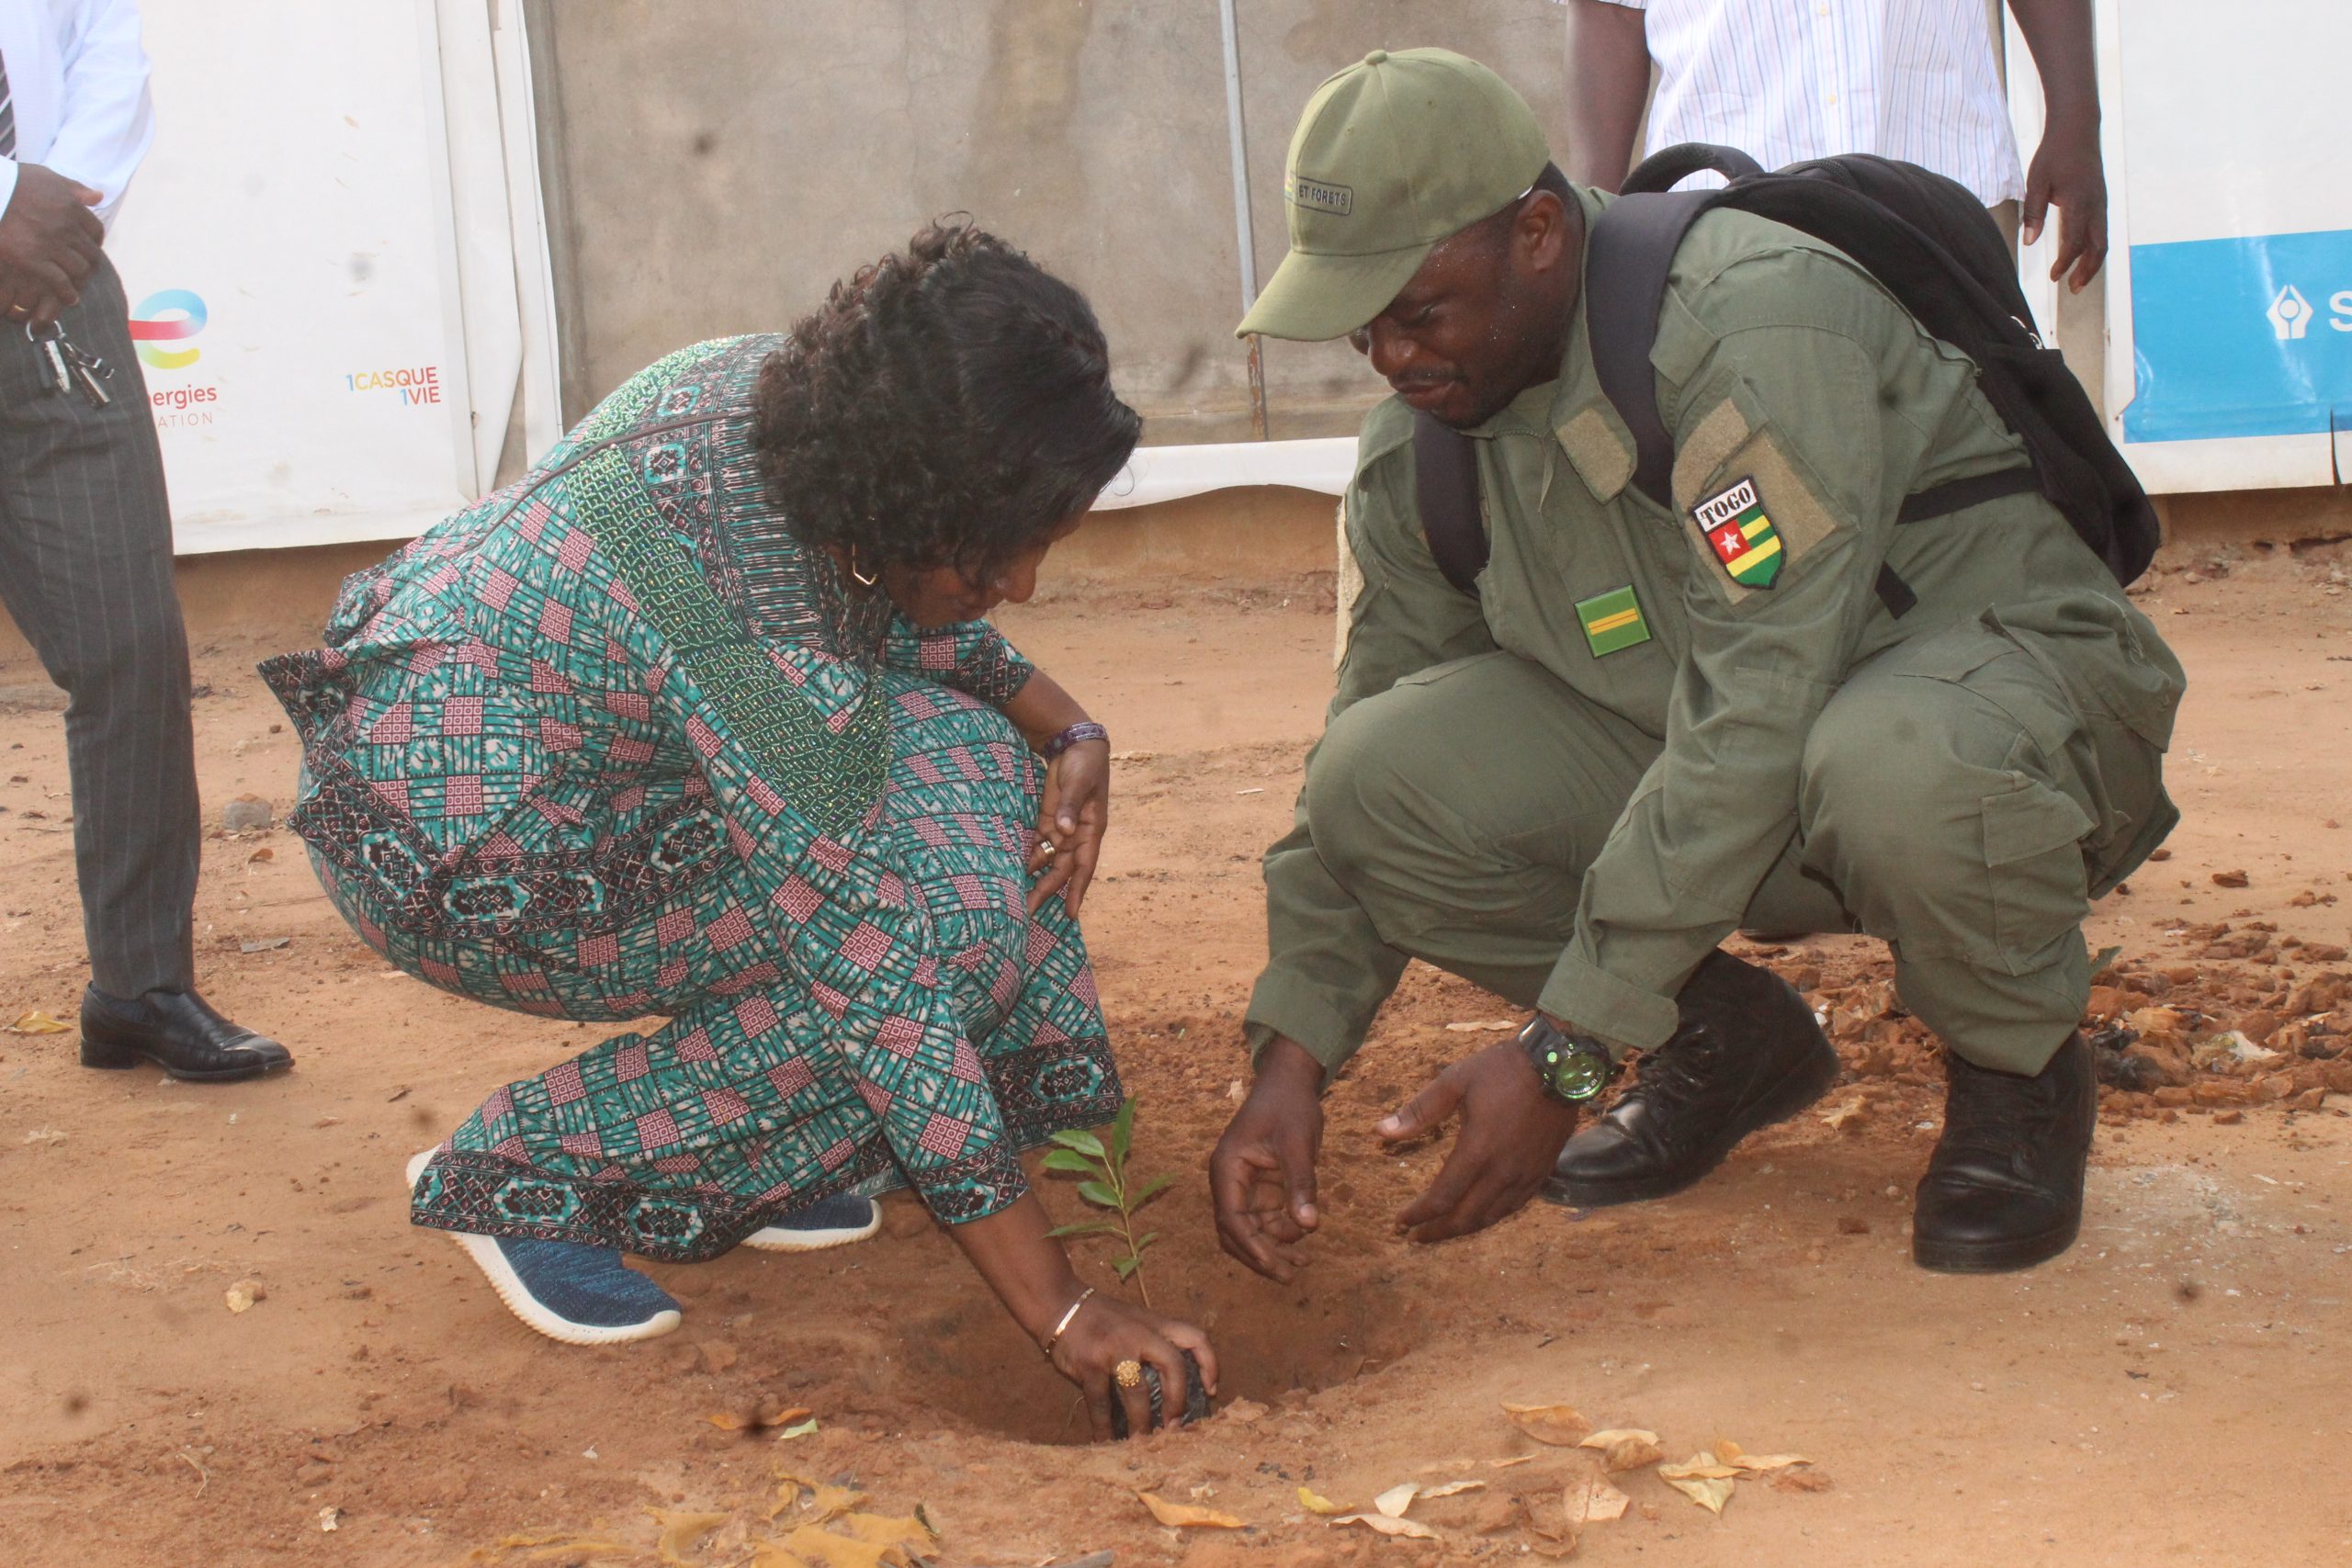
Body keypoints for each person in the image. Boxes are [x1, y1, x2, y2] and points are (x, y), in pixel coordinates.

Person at [1209, 49, 2180, 1280]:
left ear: (1542, 233)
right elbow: (1351, 763)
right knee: (1372, 778)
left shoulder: (1752, 324)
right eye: (1361, 323)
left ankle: (2019, 1066)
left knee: (1895, 763)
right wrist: (1289, 1061)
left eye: (1418, 308)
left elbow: (1761, 700)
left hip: (1995, 713)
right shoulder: (1428, 444)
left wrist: (1567, 1049)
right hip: (1748, 759)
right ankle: (1725, 1037)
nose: (1389, 356)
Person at [260, 220, 1215, 1439]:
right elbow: (873, 971)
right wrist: (1066, 1311)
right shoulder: (749, 621)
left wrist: (1067, 727)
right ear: (920, 504)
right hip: (462, 843)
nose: (1023, 580)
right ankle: (529, 1174)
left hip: (529, 749)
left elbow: (885, 593)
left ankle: (761, 1150)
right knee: (940, 921)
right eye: (1009, 546)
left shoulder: (802, 415)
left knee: (973, 760)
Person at [0, 0, 291, 1082]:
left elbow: (102, 45)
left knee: (130, 650)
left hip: (45, 297)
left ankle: (137, 985)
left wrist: (53, 211)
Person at [1561, 0, 2108, 293]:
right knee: (1757, 468)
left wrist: (2076, 119)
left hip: (1942, 182)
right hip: (1726, 220)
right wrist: (1596, 213)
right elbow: (1608, 10)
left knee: (1966, 450)